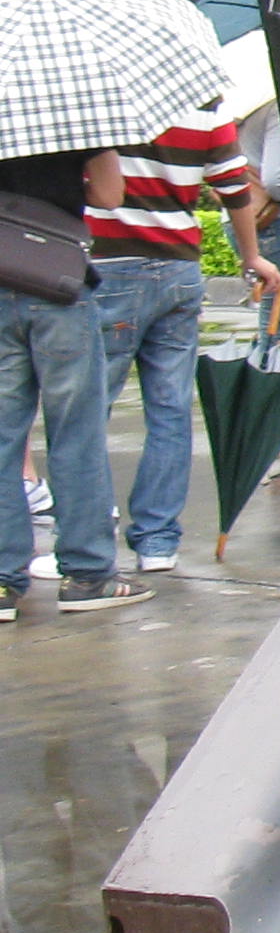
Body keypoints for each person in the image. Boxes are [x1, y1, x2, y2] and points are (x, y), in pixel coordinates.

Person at [85, 101, 280, 573]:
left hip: (108, 267)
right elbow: (234, 187)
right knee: (170, 409)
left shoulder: (94, 100)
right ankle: (157, 542)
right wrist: (251, 256)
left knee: (89, 409)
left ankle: (87, 535)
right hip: (180, 268)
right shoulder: (199, 106)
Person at [0, 143, 144, 616]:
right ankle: (88, 575)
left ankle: (2, 582)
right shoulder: (72, 114)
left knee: (2, 439)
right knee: (74, 433)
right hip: (56, 283)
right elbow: (108, 195)